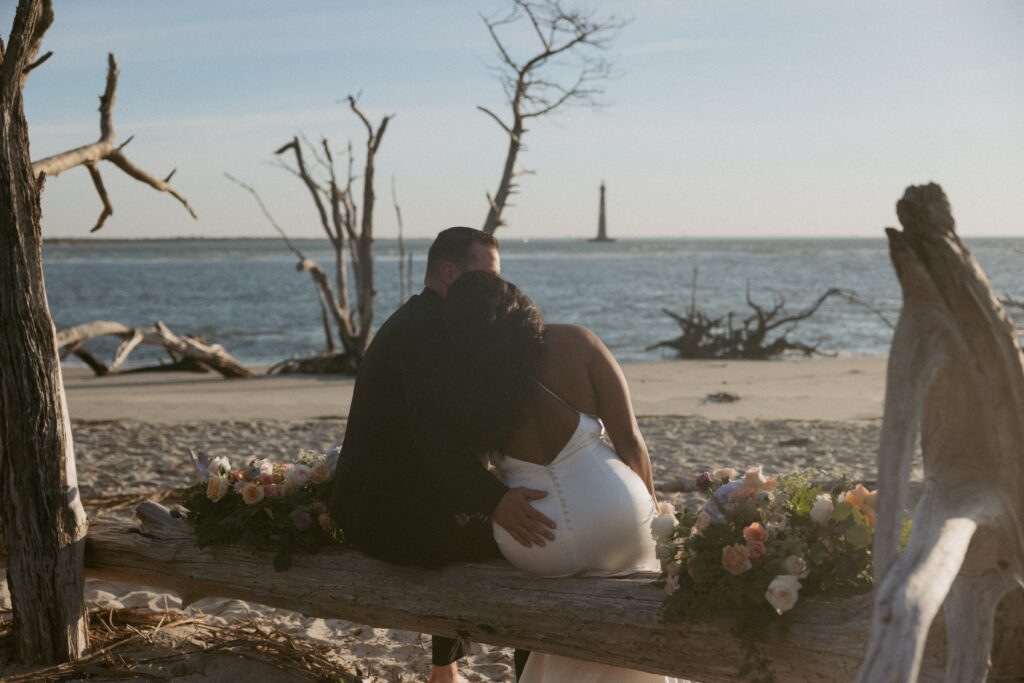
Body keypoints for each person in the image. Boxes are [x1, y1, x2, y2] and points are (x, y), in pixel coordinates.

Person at [330, 227, 551, 683]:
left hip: (379, 503)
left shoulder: (417, 316)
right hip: (391, 523)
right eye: (486, 274)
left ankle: (443, 669)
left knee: (478, 513)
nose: (495, 286)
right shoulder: (430, 330)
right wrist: (495, 500)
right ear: (448, 273)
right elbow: (432, 434)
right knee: (537, 551)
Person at [444, 271, 684, 683]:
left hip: (535, 538)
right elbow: (631, 444)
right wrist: (655, 515)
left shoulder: (465, 382)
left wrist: (496, 502)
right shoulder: (576, 342)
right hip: (616, 523)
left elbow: (471, 469)